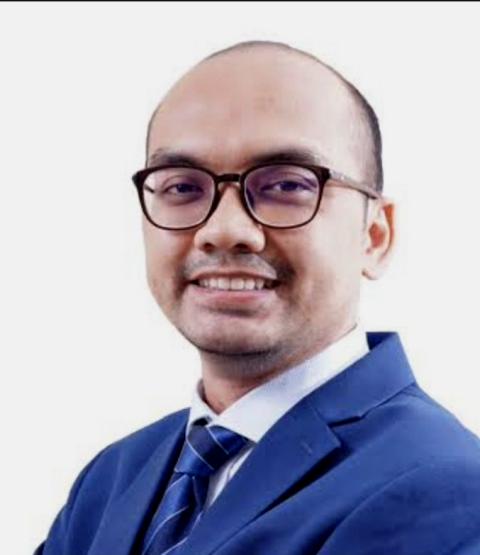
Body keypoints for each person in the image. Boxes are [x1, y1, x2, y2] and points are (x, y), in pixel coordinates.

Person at [35, 40, 480, 555]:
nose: (223, 230)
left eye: (287, 185)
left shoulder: (447, 490)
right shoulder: (110, 479)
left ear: (375, 236)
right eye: (182, 187)